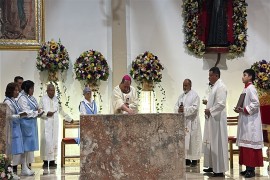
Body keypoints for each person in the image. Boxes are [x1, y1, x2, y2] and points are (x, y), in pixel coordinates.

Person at [234, 69, 263, 178]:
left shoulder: (251, 89)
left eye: (245, 75)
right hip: (245, 120)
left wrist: (245, 109)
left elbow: (256, 103)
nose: (243, 77)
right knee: (245, 145)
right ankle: (247, 168)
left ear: (250, 77)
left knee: (250, 145)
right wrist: (239, 109)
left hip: (251, 122)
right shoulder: (245, 89)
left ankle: (251, 169)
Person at [202, 67, 228, 177]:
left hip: (217, 121)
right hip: (213, 120)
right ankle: (213, 166)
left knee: (217, 143)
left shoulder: (221, 86)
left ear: (216, 75)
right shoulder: (215, 86)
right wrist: (208, 103)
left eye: (210, 75)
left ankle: (219, 169)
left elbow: (221, 104)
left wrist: (210, 110)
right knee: (212, 142)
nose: (209, 78)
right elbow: (216, 101)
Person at [39, 84, 73, 168]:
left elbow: (61, 111)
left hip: (54, 124)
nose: (52, 92)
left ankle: (53, 160)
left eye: (53, 90)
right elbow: (39, 111)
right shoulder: (43, 99)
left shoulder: (56, 99)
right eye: (50, 90)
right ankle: (46, 161)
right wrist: (47, 113)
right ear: (47, 91)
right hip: (46, 123)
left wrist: (69, 118)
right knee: (47, 142)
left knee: (54, 141)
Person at [174, 79, 202, 167]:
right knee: (185, 140)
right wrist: (178, 109)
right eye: (183, 85)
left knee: (193, 141)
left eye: (186, 85)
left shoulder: (195, 95)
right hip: (184, 122)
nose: (184, 87)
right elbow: (175, 106)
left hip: (192, 121)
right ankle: (186, 158)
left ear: (190, 85)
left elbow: (195, 108)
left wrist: (184, 110)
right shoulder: (181, 96)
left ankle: (194, 159)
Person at [17, 80, 43, 176]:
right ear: (27, 88)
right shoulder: (22, 98)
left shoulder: (31, 97)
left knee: (29, 148)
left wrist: (39, 110)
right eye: (31, 88)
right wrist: (37, 112)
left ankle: (26, 166)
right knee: (25, 147)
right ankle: (23, 167)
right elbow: (26, 112)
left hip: (31, 124)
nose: (33, 90)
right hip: (25, 125)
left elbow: (37, 107)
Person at [3, 83, 27, 179]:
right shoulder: (7, 102)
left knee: (16, 151)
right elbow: (8, 116)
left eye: (18, 90)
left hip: (16, 128)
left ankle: (12, 172)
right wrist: (19, 116)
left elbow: (17, 111)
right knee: (10, 152)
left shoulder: (14, 101)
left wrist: (22, 113)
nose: (18, 92)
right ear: (10, 91)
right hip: (11, 129)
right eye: (16, 90)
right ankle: (9, 173)